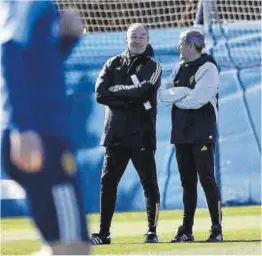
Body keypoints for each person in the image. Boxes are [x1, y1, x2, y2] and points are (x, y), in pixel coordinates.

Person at [0, 1, 90, 254]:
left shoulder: (43, 7)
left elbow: (37, 64)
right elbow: (8, 51)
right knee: (72, 248)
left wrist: (67, 40)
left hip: (47, 133)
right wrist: (22, 126)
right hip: (40, 135)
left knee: (69, 248)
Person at [91, 23, 162, 245]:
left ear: (148, 40)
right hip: (115, 135)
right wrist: (131, 95)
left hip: (142, 134)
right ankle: (104, 234)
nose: (138, 40)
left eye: (142, 36)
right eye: (134, 36)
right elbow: (101, 94)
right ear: (126, 38)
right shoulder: (112, 64)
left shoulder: (154, 66)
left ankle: (152, 231)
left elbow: (146, 90)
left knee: (149, 183)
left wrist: (118, 90)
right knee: (108, 182)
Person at [159, 29, 223, 242]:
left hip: (202, 132)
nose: (178, 48)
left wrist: (178, 96)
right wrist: (184, 93)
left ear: (189, 45)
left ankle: (216, 229)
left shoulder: (208, 67)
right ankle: (186, 230)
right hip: (181, 133)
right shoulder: (178, 68)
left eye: (180, 43)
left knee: (206, 179)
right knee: (187, 182)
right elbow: (163, 94)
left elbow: (198, 99)